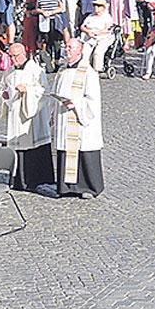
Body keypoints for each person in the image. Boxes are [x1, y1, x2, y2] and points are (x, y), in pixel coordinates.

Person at [49, 39, 104, 198]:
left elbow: (93, 100)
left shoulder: (88, 72)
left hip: (80, 120)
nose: (67, 50)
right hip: (64, 117)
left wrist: (76, 104)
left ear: (79, 51)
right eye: (66, 47)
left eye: (70, 48)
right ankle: (66, 187)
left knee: (83, 153)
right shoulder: (62, 71)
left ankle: (88, 187)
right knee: (65, 151)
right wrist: (53, 112)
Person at [0, 42, 52, 191]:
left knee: (31, 147)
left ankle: (34, 180)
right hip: (15, 113)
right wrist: (4, 96)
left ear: (23, 54)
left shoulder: (35, 70)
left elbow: (44, 91)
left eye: (15, 56)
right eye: (10, 56)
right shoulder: (8, 72)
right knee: (17, 145)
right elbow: (1, 90)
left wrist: (27, 91)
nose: (13, 60)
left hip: (31, 117)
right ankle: (19, 180)